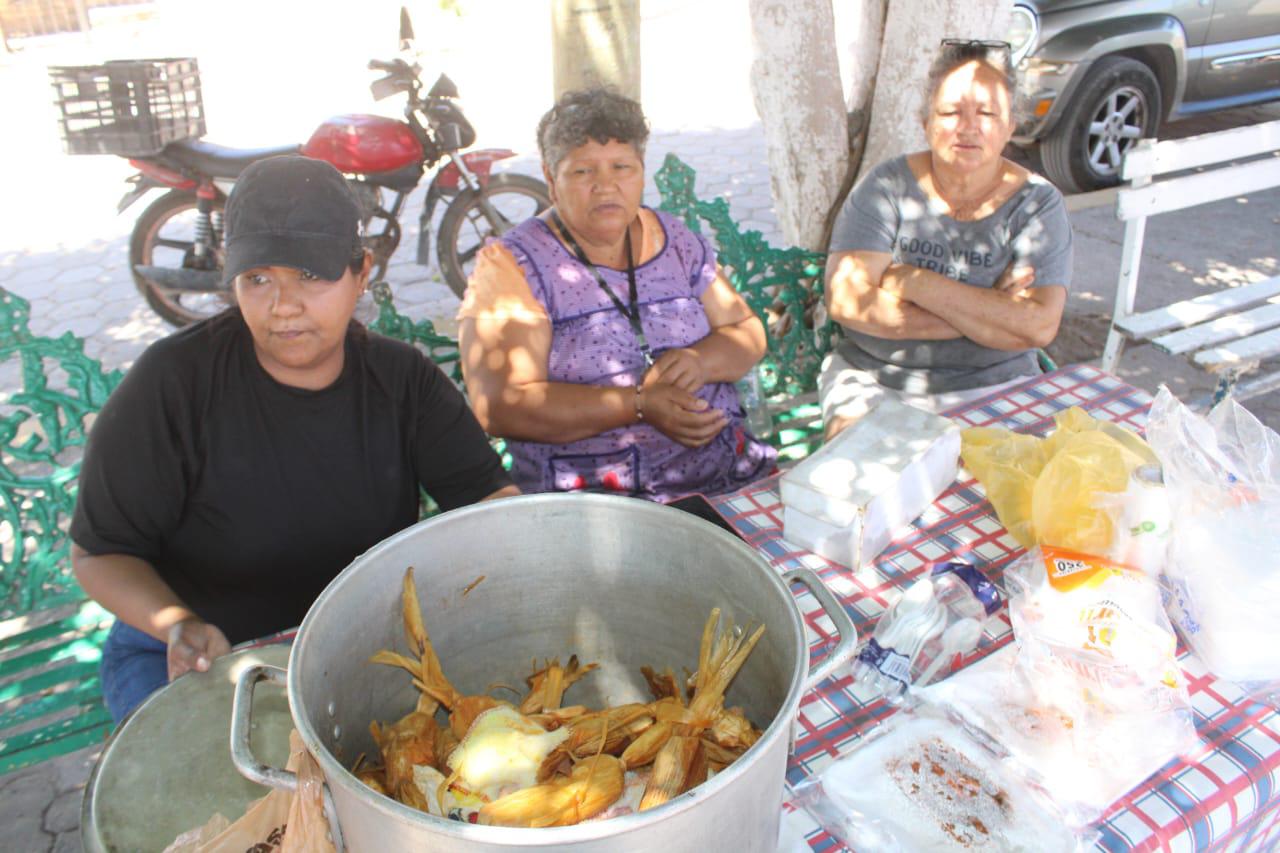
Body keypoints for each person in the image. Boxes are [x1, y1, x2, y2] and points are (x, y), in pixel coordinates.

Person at [71, 156, 518, 724]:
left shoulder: (403, 382)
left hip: (355, 649)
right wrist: (177, 623)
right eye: (257, 279)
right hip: (194, 656)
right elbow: (99, 552)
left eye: (310, 275)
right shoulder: (174, 383)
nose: (283, 306)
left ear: (362, 272)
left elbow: (491, 505)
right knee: (212, 781)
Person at [457, 88, 776, 501]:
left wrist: (700, 361)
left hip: (726, 476)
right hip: (600, 504)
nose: (605, 186)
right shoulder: (511, 265)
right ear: (551, 180)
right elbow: (502, 405)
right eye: (583, 171)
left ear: (641, 172)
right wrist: (638, 404)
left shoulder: (674, 240)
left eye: (621, 167)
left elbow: (746, 329)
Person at [822, 39, 1073, 438]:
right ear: (926, 123)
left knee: (1030, 473)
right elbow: (847, 301)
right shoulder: (887, 187)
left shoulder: (1037, 204)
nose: (968, 127)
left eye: (987, 113)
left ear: (1010, 126)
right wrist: (989, 310)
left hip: (1001, 380)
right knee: (860, 464)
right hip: (875, 378)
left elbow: (1038, 326)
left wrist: (912, 281)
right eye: (951, 112)